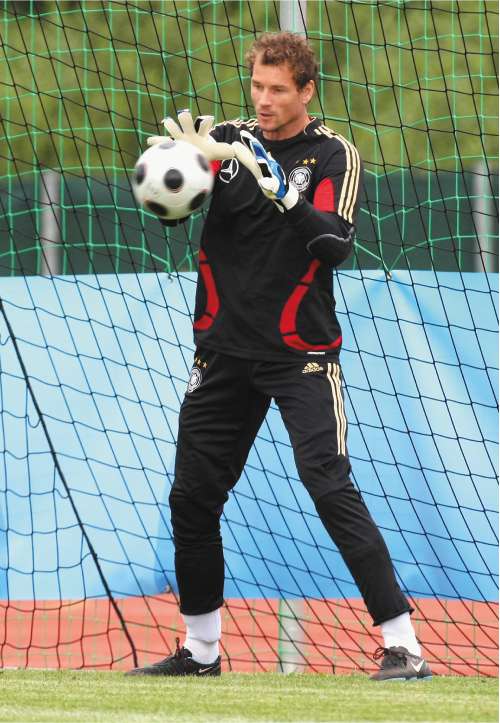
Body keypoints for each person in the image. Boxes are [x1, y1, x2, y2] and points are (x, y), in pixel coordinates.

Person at [127, 31, 431, 682]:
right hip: (222, 352)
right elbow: (175, 215)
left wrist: (271, 179)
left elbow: (333, 245)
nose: (263, 101)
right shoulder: (227, 140)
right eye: (257, 86)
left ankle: (403, 646)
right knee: (192, 498)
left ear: (306, 90)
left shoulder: (332, 155)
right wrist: (181, 168)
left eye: (278, 90)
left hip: (302, 354)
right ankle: (201, 653)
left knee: (329, 484)